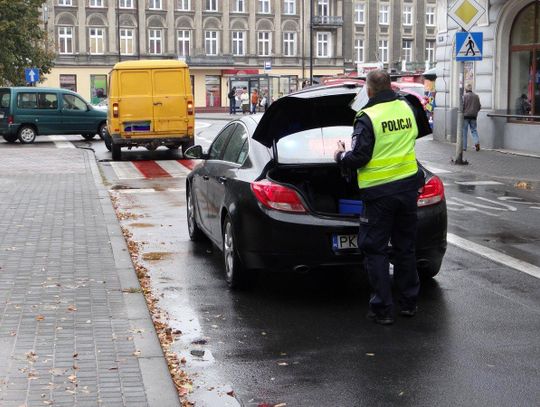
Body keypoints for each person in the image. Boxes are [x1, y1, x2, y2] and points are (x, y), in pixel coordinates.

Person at [334, 70, 430, 325]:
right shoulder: (407, 106)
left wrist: (340, 156)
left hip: (379, 194)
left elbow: (360, 157)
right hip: (408, 187)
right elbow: (417, 134)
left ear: (369, 90)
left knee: (375, 249)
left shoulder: (367, 117)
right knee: (404, 247)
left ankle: (382, 310)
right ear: (389, 85)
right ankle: (409, 303)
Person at [463, 83, 481, 151]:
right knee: (474, 130)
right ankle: (476, 143)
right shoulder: (476, 96)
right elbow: (479, 107)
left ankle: (464, 147)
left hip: (465, 116)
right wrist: (475, 112)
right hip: (473, 116)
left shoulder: (464, 96)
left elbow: (462, 106)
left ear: (466, 89)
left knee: (464, 131)